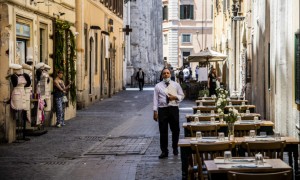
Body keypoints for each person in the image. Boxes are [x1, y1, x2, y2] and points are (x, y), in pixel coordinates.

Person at [153, 68, 185, 159]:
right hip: (162, 109)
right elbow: (155, 99)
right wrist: (155, 111)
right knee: (163, 131)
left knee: (176, 130)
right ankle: (164, 151)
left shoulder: (176, 85)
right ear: (162, 75)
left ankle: (175, 148)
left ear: (170, 74)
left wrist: (175, 97)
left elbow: (182, 95)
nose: (166, 75)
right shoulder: (158, 86)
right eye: (164, 73)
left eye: (167, 73)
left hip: (173, 109)